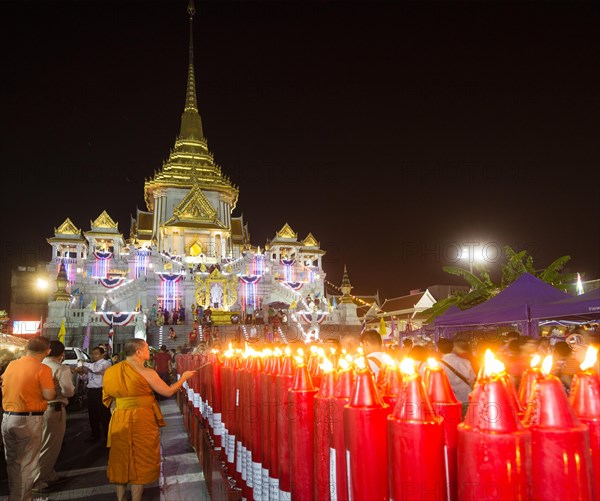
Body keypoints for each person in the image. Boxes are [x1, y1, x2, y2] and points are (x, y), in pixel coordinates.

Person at [102, 339, 196, 501]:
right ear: (138, 352)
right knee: (140, 460)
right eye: (146, 349)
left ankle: (121, 498)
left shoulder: (112, 371)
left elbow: (108, 397)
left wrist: (116, 409)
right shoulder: (146, 372)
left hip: (120, 418)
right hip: (141, 418)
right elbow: (167, 391)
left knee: (121, 459)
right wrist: (184, 378)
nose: (149, 352)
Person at [1, 336, 55, 501]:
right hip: (28, 420)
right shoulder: (42, 369)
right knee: (27, 464)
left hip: (8, 418)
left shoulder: (12, 364)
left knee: (13, 462)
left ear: (27, 348)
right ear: (48, 351)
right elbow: (49, 394)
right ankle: (23, 498)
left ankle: (16, 496)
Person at [34, 340, 75, 494]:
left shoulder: (37, 365)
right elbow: (68, 392)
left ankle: (49, 473)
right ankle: (37, 480)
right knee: (50, 445)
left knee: (40, 444)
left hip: (36, 408)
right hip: (53, 408)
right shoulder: (60, 368)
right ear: (61, 353)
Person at [77, 345, 112, 442]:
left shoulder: (105, 363)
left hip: (101, 391)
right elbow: (86, 378)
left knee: (104, 414)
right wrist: (81, 374)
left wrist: (84, 363)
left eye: (96, 354)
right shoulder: (92, 364)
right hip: (91, 391)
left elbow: (97, 369)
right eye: (92, 354)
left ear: (102, 354)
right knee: (92, 414)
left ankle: (108, 436)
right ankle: (95, 434)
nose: (94, 356)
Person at [440, 339, 476, 419]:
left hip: (450, 400)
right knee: (467, 422)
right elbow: (472, 380)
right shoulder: (466, 362)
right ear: (452, 348)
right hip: (466, 397)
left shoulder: (438, 365)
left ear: (439, 350)